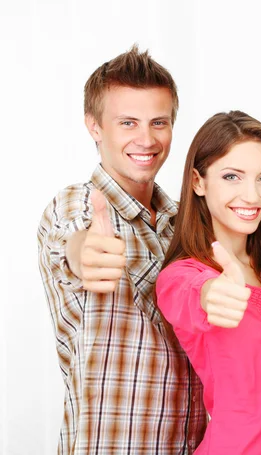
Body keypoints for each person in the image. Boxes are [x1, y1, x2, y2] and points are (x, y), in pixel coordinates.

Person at [37, 45, 205, 454]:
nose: (146, 139)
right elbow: (72, 242)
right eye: (128, 122)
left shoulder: (186, 222)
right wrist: (85, 253)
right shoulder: (76, 205)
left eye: (158, 122)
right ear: (94, 126)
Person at [155, 111, 261, 455]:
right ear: (198, 182)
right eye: (232, 176)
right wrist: (210, 294)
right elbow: (187, 295)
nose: (253, 195)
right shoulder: (186, 275)